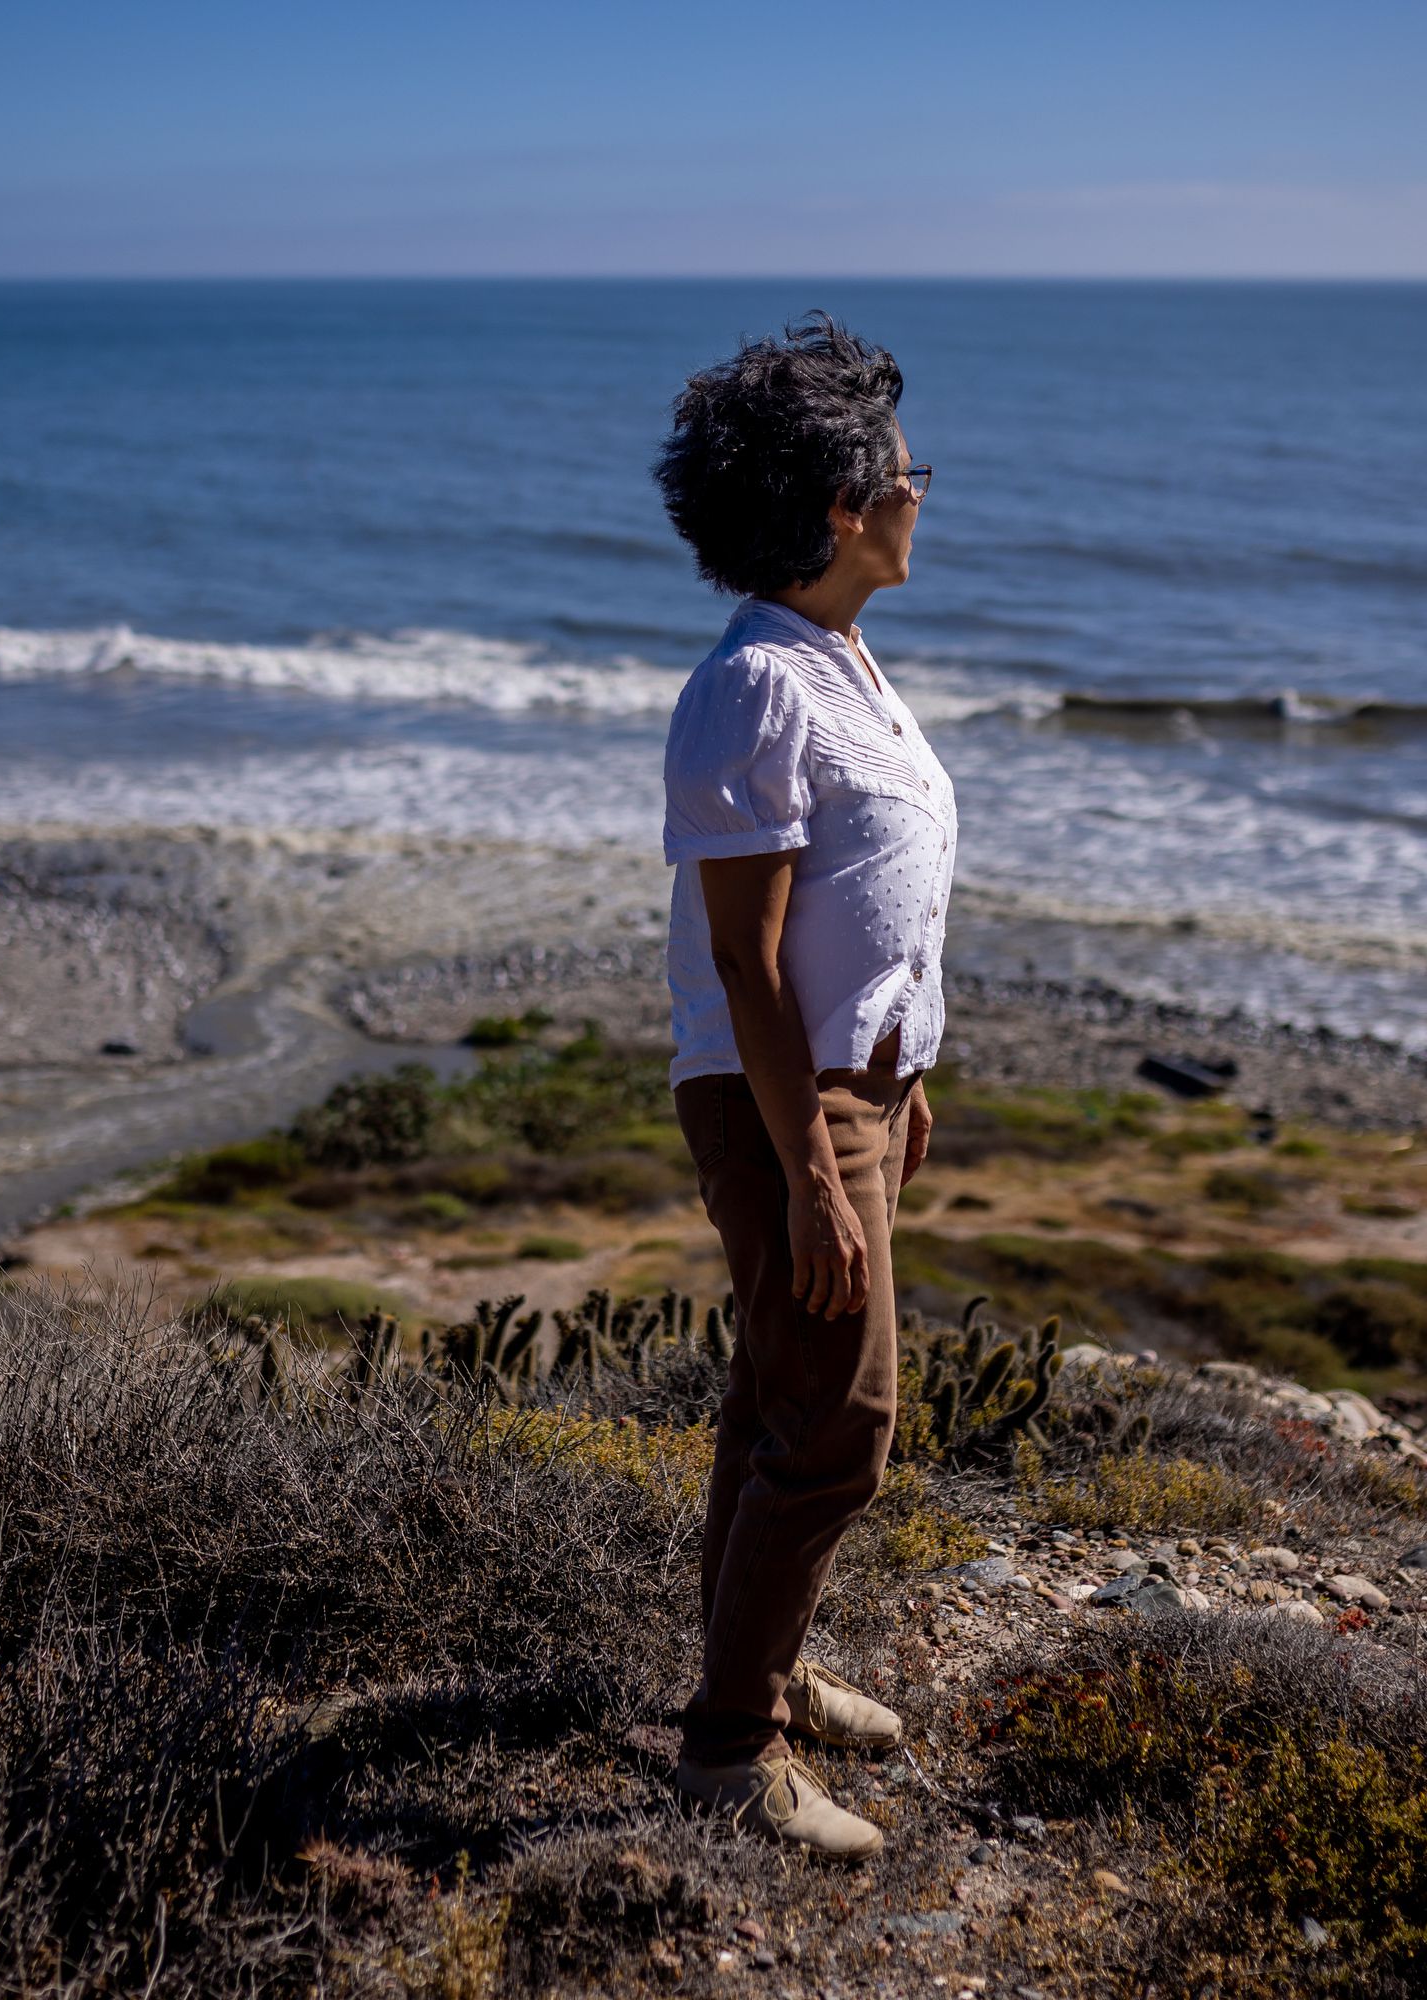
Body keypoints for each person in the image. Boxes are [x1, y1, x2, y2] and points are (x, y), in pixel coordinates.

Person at [652, 314, 951, 1861]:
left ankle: (753, 1673)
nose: (923, 491)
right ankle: (727, 1751)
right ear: (844, 506)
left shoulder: (842, 659)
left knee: (777, 1400)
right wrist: (817, 1167)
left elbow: (866, 917)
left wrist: (897, 1078)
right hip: (784, 1104)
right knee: (843, 1425)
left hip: (846, 1093)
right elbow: (751, 966)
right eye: (906, 471)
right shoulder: (758, 687)